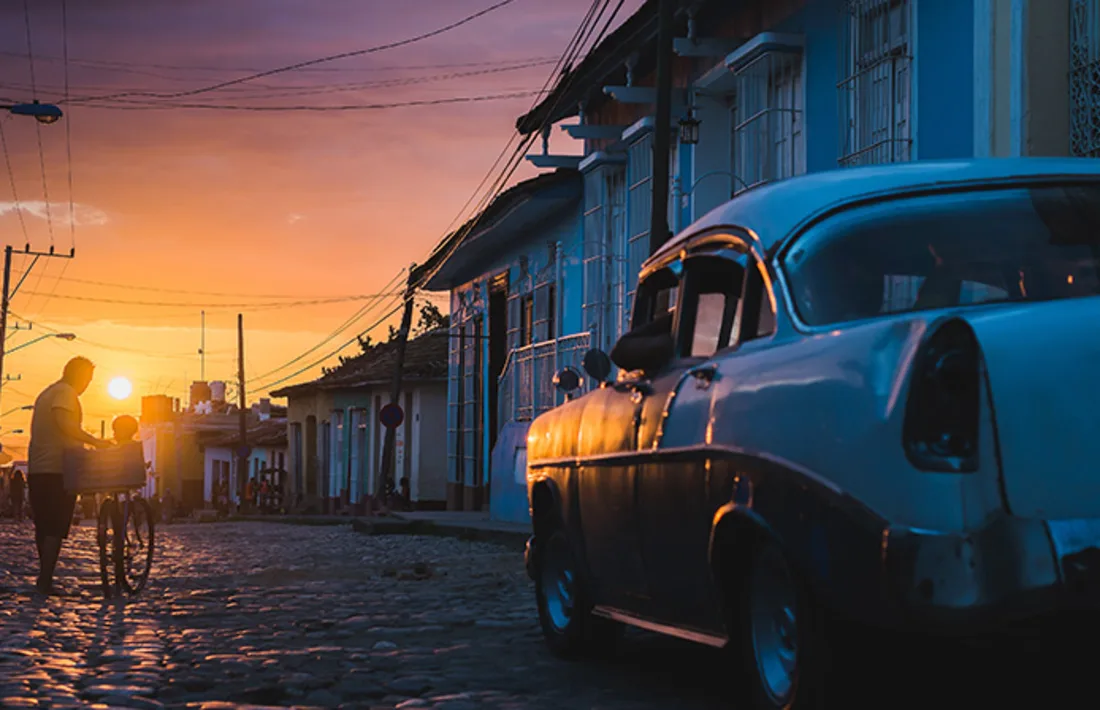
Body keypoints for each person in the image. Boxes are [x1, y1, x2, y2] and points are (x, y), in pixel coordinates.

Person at [27, 356, 109, 596]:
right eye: (88, 379)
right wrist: (95, 442)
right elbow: (66, 426)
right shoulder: (65, 393)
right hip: (57, 469)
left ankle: (44, 577)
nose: (88, 385)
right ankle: (45, 581)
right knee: (54, 526)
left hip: (39, 468)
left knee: (43, 526)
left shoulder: (48, 392)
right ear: (79, 376)